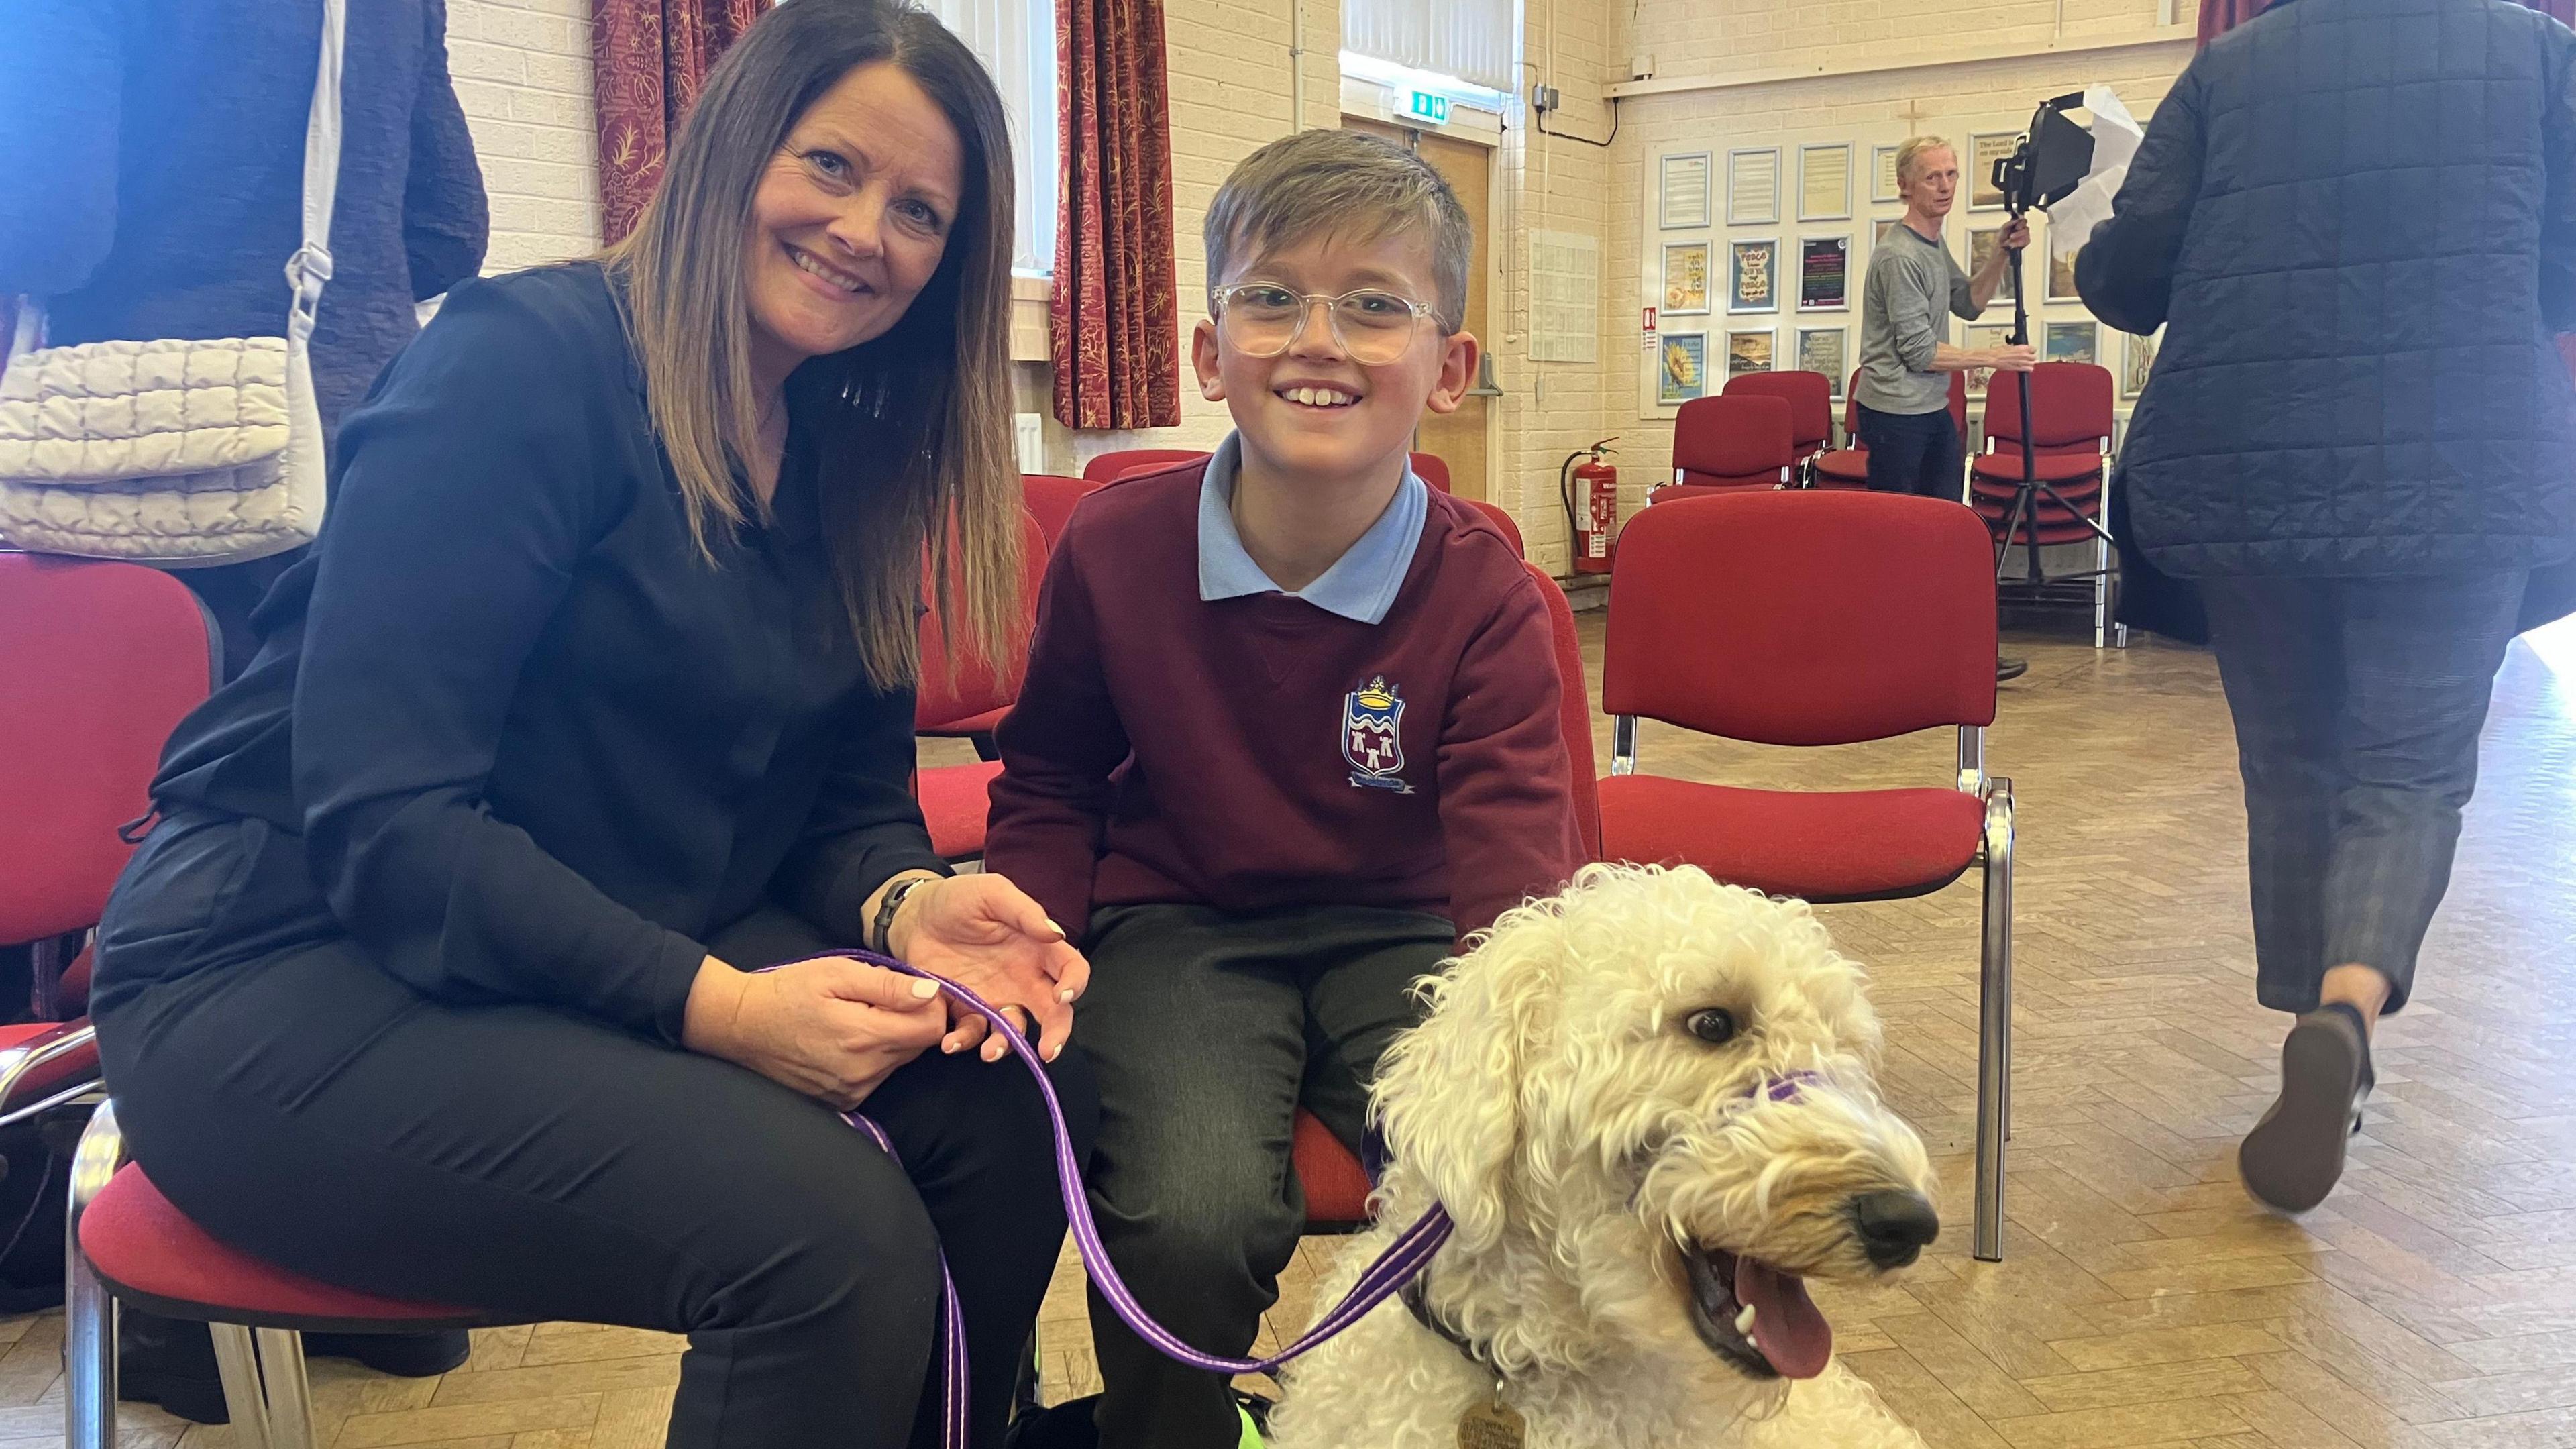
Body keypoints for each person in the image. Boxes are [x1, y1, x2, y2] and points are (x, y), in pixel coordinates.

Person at [85, 5, 1093, 1446]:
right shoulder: (525, 366)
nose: (864, 228)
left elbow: (842, 812)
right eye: (830, 164)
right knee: (823, 1244)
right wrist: (729, 1011)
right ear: (734, 145)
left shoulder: (844, 457)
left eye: (920, 210)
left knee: (1001, 1111)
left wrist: (911, 900)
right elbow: (390, 826)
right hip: (281, 970)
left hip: (577, 933)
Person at [985, 129, 1589, 1449]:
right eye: (1272, 298)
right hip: (1184, 931)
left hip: (1413, 939)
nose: (1320, 338)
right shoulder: (1114, 546)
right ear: (1210, 353)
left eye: (1376, 303)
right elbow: (1049, 779)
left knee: (1502, 1203)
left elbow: (1510, 878)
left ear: (1452, 369)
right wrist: (1029, 933)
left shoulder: (1489, 592)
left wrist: (1519, 1066)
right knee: (1186, 1225)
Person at [2080, 0, 2576, 1214]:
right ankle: (2349, 1007)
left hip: (2248, 459)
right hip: (2460, 456)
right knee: (2410, 769)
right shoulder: (2536, 51)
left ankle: (2316, 1030)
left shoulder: (2234, 66)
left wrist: (2088, 232)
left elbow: (2131, 280)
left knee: (2293, 763)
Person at [0, 0, 490, 682]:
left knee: (132, 766)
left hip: (139, 450)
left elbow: (52, 237)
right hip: (370, 441)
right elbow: (450, 234)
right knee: (340, 753)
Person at [1855, 134, 2039, 682]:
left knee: (1943, 533)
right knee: (1898, 537)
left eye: (1952, 175)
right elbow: (1917, 352)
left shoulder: (1933, 246)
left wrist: (2002, 252)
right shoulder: (1898, 254)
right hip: (1894, 412)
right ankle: (1890, 654)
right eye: (1933, 177)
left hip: (1930, 410)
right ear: (1905, 185)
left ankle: (1943, 652)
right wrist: (1994, 358)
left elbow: (1969, 301)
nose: (1944, 187)